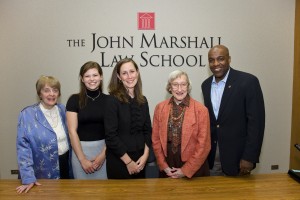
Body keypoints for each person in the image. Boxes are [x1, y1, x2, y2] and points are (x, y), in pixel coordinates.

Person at [201, 45, 265, 176]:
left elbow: (256, 123)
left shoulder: (248, 82)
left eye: (221, 59)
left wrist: (249, 157)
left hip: (239, 156)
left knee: (239, 194)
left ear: (229, 59)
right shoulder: (205, 85)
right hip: (213, 156)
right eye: (211, 60)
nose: (216, 64)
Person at [16, 76, 72, 194]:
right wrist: (28, 177)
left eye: (55, 90)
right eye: (46, 90)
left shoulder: (63, 110)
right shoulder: (27, 114)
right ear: (39, 93)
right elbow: (23, 148)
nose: (51, 94)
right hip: (42, 171)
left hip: (65, 165)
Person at [152, 70, 211, 178]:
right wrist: (163, 165)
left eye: (183, 84)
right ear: (170, 87)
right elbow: (155, 140)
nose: (179, 89)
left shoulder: (201, 110)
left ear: (188, 86)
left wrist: (186, 170)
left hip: (194, 167)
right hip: (167, 165)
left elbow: (204, 146)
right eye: (175, 85)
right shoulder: (160, 108)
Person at [104, 58, 152, 179]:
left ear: (137, 72)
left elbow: (148, 131)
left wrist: (145, 156)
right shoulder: (111, 101)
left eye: (132, 71)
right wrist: (129, 162)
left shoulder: (143, 100)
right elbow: (111, 136)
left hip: (141, 160)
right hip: (119, 161)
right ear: (119, 77)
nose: (129, 76)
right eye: (124, 73)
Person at [66, 61, 108, 179]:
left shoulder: (109, 101)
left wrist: (103, 155)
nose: (92, 79)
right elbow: (72, 131)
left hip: (105, 152)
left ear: (101, 76)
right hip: (80, 152)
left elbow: (113, 132)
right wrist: (82, 159)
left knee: (104, 193)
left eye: (95, 75)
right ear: (82, 79)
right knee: (82, 193)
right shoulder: (74, 100)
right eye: (87, 76)